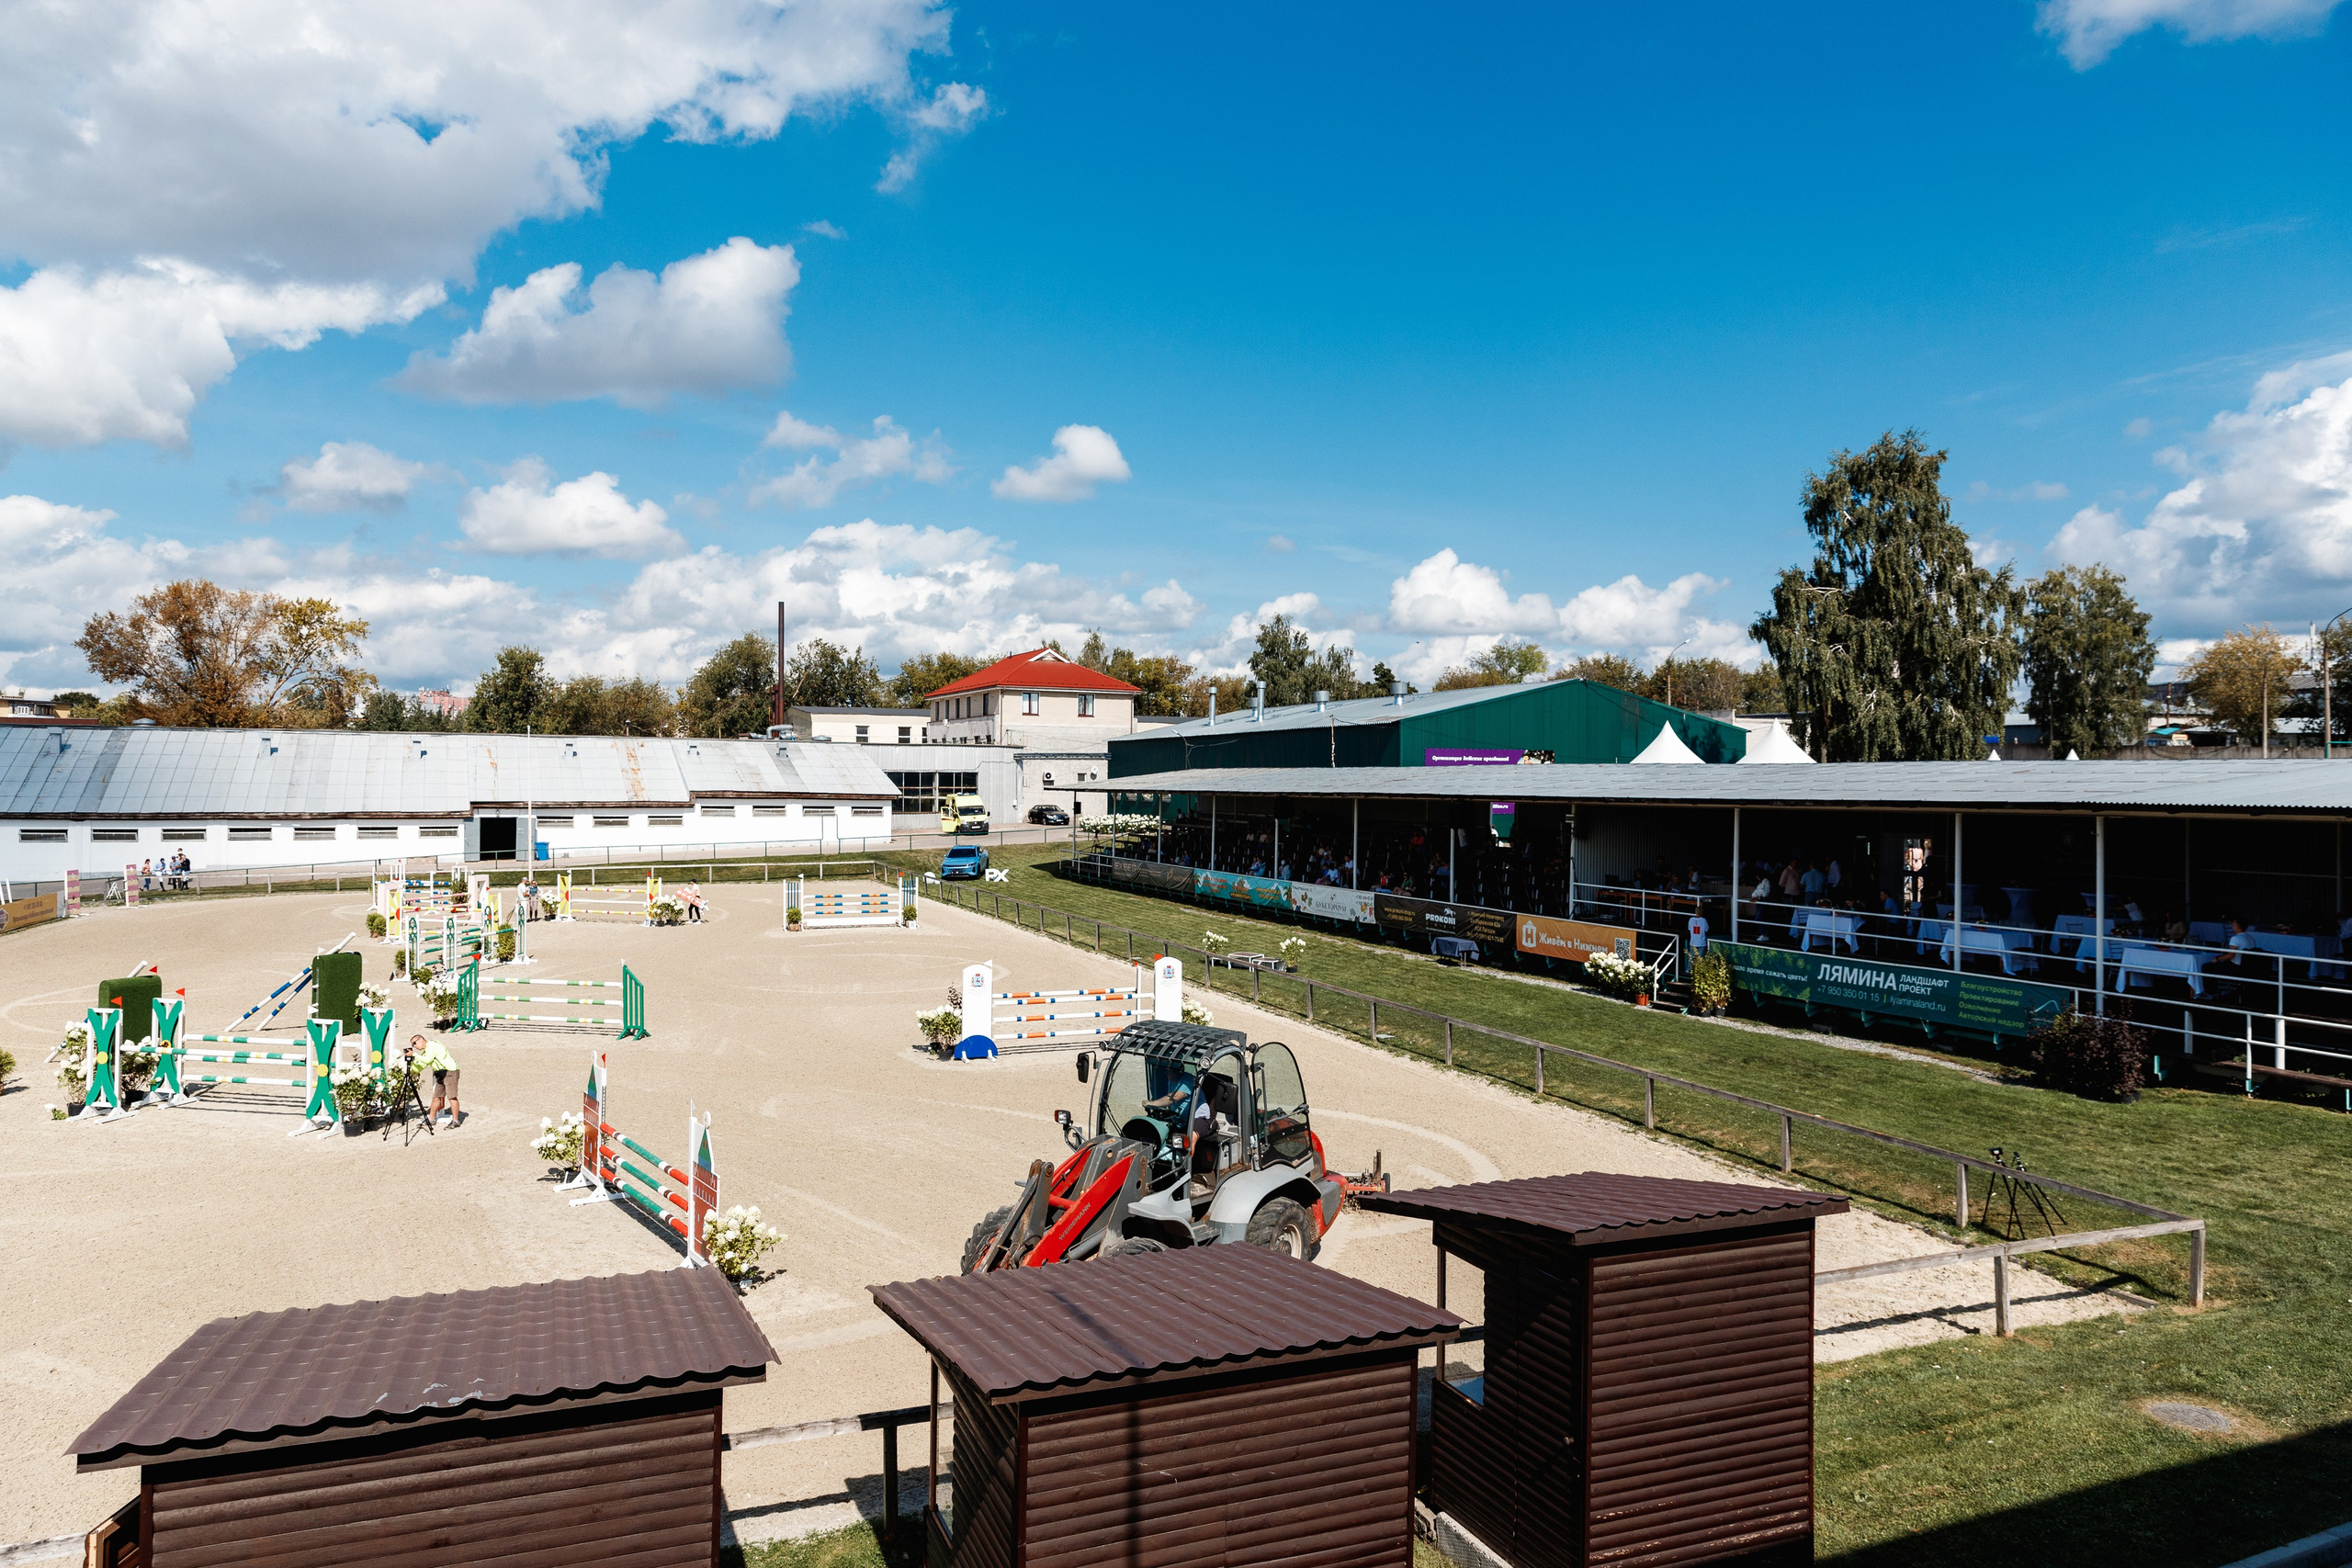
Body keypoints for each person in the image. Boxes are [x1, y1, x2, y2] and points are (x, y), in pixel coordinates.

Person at [412, 1032, 463, 1128]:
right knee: (436, 1097)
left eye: (414, 1043)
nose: (414, 1047)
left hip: (450, 1071)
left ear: (421, 1040)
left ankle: (455, 1121)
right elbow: (420, 1066)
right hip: (441, 1074)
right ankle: (431, 1119)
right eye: (412, 1045)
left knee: (452, 1097)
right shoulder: (426, 1051)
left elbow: (427, 1060)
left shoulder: (432, 1045)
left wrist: (414, 1054)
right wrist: (409, 1065)